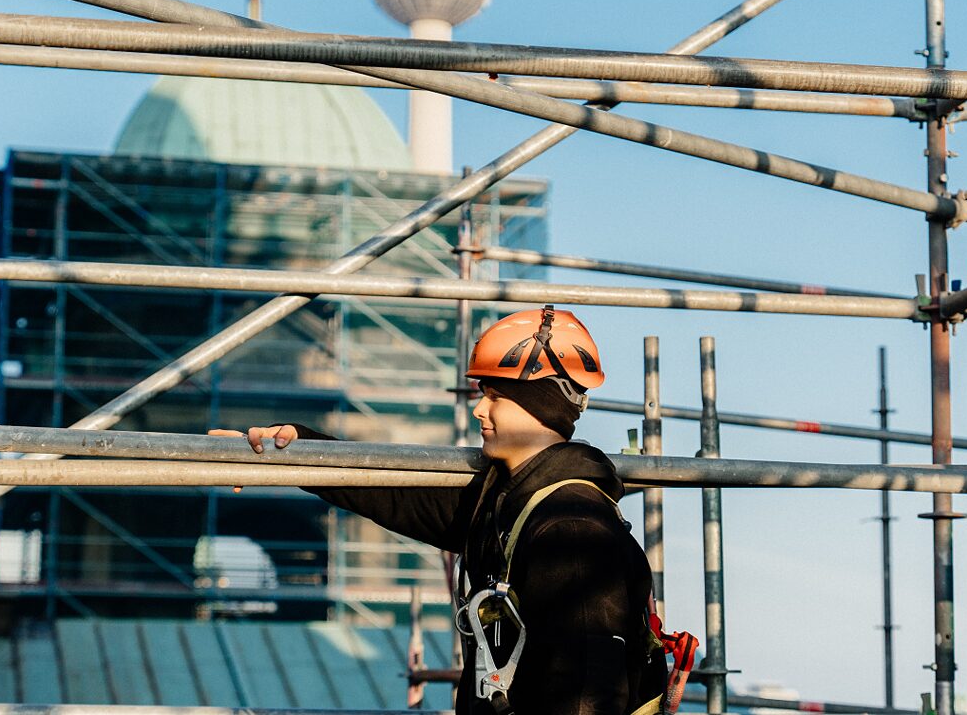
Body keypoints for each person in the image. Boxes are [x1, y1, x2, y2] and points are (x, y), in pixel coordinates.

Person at [212, 305, 680, 715]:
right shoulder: (507, 504)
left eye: (495, 396)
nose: (480, 411)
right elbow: (391, 493)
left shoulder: (571, 527)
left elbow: (587, 694)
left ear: (540, 405)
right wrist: (293, 452)